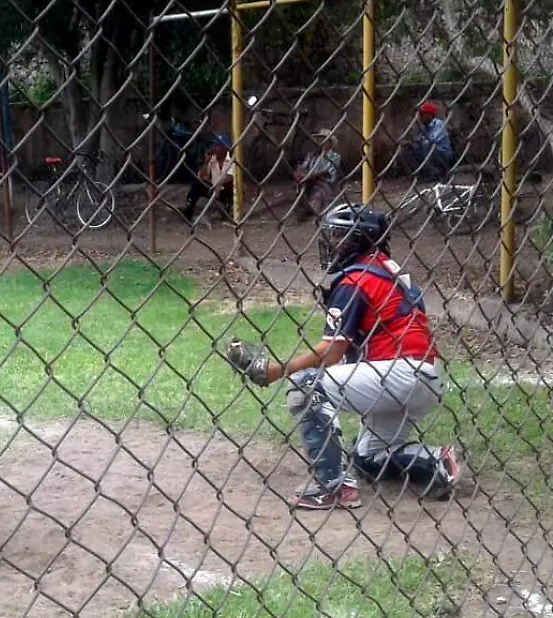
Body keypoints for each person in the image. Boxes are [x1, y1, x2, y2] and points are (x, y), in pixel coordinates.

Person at [225, 204, 462, 510]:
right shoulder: (386, 268)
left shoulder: (355, 280)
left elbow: (332, 352)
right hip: (421, 376)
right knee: (369, 458)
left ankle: (332, 487)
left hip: (402, 372)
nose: (333, 243)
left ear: (362, 240)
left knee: (306, 384)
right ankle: (435, 461)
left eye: (341, 237)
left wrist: (276, 370)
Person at [182, 135, 234, 222]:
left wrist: (219, 184)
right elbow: (201, 176)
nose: (215, 148)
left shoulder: (232, 159)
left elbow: (230, 176)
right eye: (215, 146)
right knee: (196, 184)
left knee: (229, 184)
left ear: (225, 147)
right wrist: (206, 162)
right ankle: (188, 212)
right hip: (214, 189)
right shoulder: (212, 159)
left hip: (226, 189)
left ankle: (228, 207)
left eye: (218, 146)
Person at [295, 129, 342, 218]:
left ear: (329, 142)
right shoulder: (312, 155)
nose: (320, 142)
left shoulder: (335, 156)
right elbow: (303, 168)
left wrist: (313, 175)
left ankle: (311, 209)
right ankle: (304, 205)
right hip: (309, 180)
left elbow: (329, 174)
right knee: (302, 186)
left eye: (323, 139)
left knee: (318, 194)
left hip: (325, 183)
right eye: (318, 139)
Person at [407, 102, 454, 180]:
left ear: (430, 115)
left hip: (442, 153)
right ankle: (419, 174)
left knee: (426, 144)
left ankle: (434, 172)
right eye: (420, 114)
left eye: (422, 114)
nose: (420, 117)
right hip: (429, 151)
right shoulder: (424, 126)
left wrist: (419, 141)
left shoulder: (438, 124)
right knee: (408, 150)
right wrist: (411, 143)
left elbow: (432, 139)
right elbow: (418, 140)